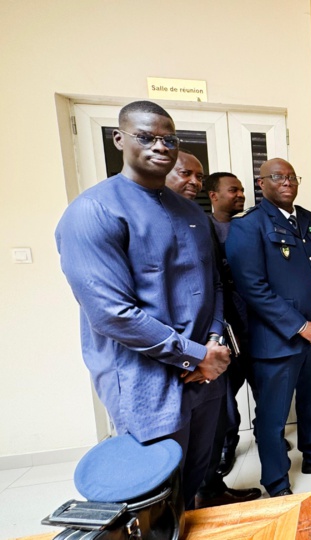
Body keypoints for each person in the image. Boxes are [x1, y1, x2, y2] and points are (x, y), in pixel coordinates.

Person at [55, 101, 230, 507]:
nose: (160, 146)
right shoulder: (93, 210)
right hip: (146, 380)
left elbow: (215, 283)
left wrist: (214, 342)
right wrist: (195, 354)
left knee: (195, 478)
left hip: (203, 374)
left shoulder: (190, 212)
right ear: (119, 139)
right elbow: (112, 314)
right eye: (146, 137)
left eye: (169, 139)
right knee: (156, 496)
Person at [226, 158, 311, 497]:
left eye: (292, 177)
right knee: (273, 416)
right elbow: (252, 287)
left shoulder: (310, 220)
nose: (287, 182)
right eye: (278, 177)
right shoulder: (248, 225)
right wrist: (299, 326)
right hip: (277, 340)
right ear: (261, 183)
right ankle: (277, 481)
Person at [193, 172, 263, 508]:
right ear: (213, 195)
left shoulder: (246, 227)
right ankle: (226, 447)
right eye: (233, 190)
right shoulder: (204, 228)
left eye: (242, 190)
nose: (240, 195)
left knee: (264, 385)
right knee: (225, 396)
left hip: (255, 320)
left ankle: (267, 437)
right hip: (223, 326)